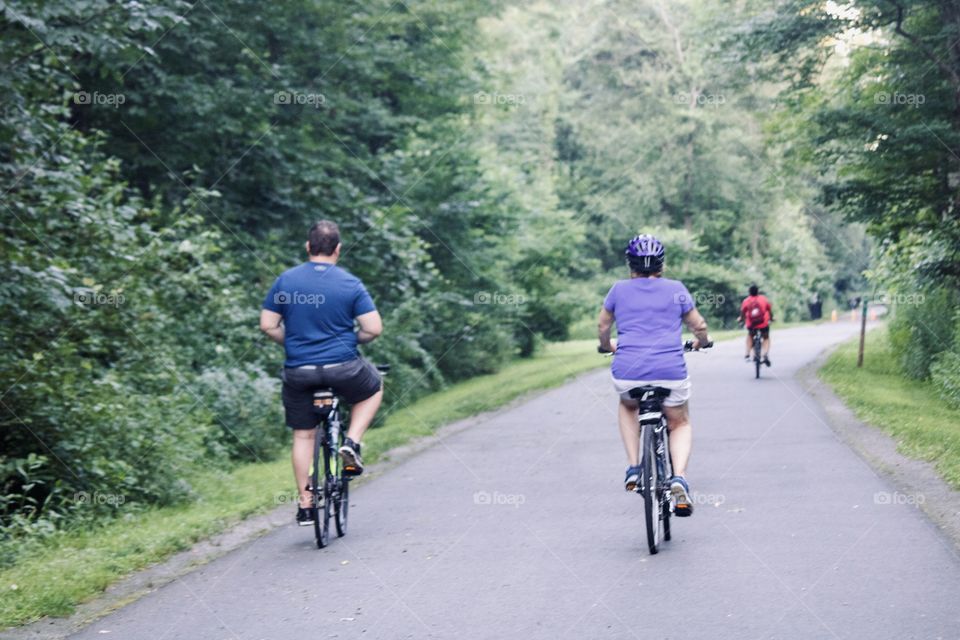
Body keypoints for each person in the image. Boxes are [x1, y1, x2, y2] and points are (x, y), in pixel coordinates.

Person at [260, 220, 384, 526]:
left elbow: (268, 324)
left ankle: (305, 503)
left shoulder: (286, 281)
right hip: (343, 367)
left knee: (303, 435)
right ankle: (351, 443)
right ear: (338, 250)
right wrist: (352, 339)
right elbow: (374, 328)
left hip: (299, 371)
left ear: (308, 247)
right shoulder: (350, 283)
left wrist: (291, 342)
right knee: (373, 387)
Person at [597, 234, 711, 517]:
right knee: (679, 422)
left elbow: (603, 325)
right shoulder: (676, 289)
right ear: (661, 264)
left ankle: (635, 467)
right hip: (669, 371)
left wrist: (605, 346)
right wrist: (703, 342)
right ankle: (679, 477)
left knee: (627, 406)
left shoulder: (618, 290)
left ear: (630, 265)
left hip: (628, 372)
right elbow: (698, 326)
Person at [739, 284, 773, 366]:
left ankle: (747, 354)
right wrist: (771, 318)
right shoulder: (763, 299)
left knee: (750, 335)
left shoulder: (746, 301)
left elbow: (743, 313)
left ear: (749, 292)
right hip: (763, 323)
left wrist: (741, 319)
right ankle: (765, 354)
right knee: (766, 337)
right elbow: (769, 310)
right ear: (758, 291)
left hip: (752, 325)